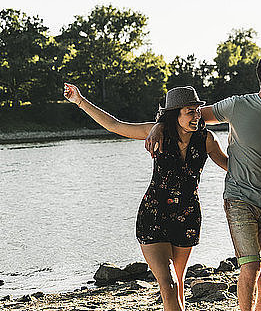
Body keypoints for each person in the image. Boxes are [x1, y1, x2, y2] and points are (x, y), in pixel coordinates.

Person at [144, 50, 261, 311]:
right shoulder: (238, 105)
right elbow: (192, 115)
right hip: (239, 199)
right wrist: (159, 124)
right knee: (251, 265)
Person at [63, 83, 228, 311]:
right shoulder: (156, 132)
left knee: (177, 281)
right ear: (174, 114)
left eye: (198, 111)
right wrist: (80, 101)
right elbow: (115, 125)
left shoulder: (207, 140)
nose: (197, 116)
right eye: (190, 111)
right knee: (168, 283)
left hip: (188, 217)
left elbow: (231, 166)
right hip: (154, 216)